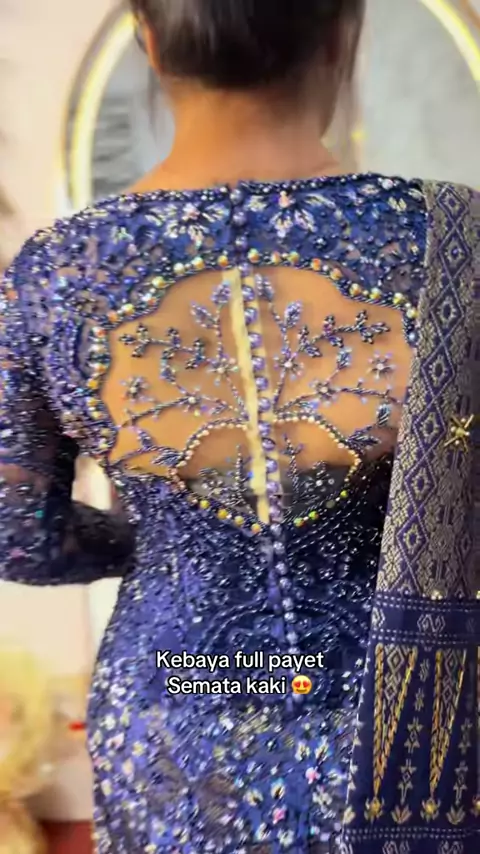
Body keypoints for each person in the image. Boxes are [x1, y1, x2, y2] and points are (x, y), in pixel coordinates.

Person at [0, 1, 478, 851]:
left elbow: (19, 534)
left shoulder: (56, 272)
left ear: (151, 39)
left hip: (175, 717)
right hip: (408, 715)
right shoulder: (459, 241)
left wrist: (160, 544)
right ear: (341, 33)